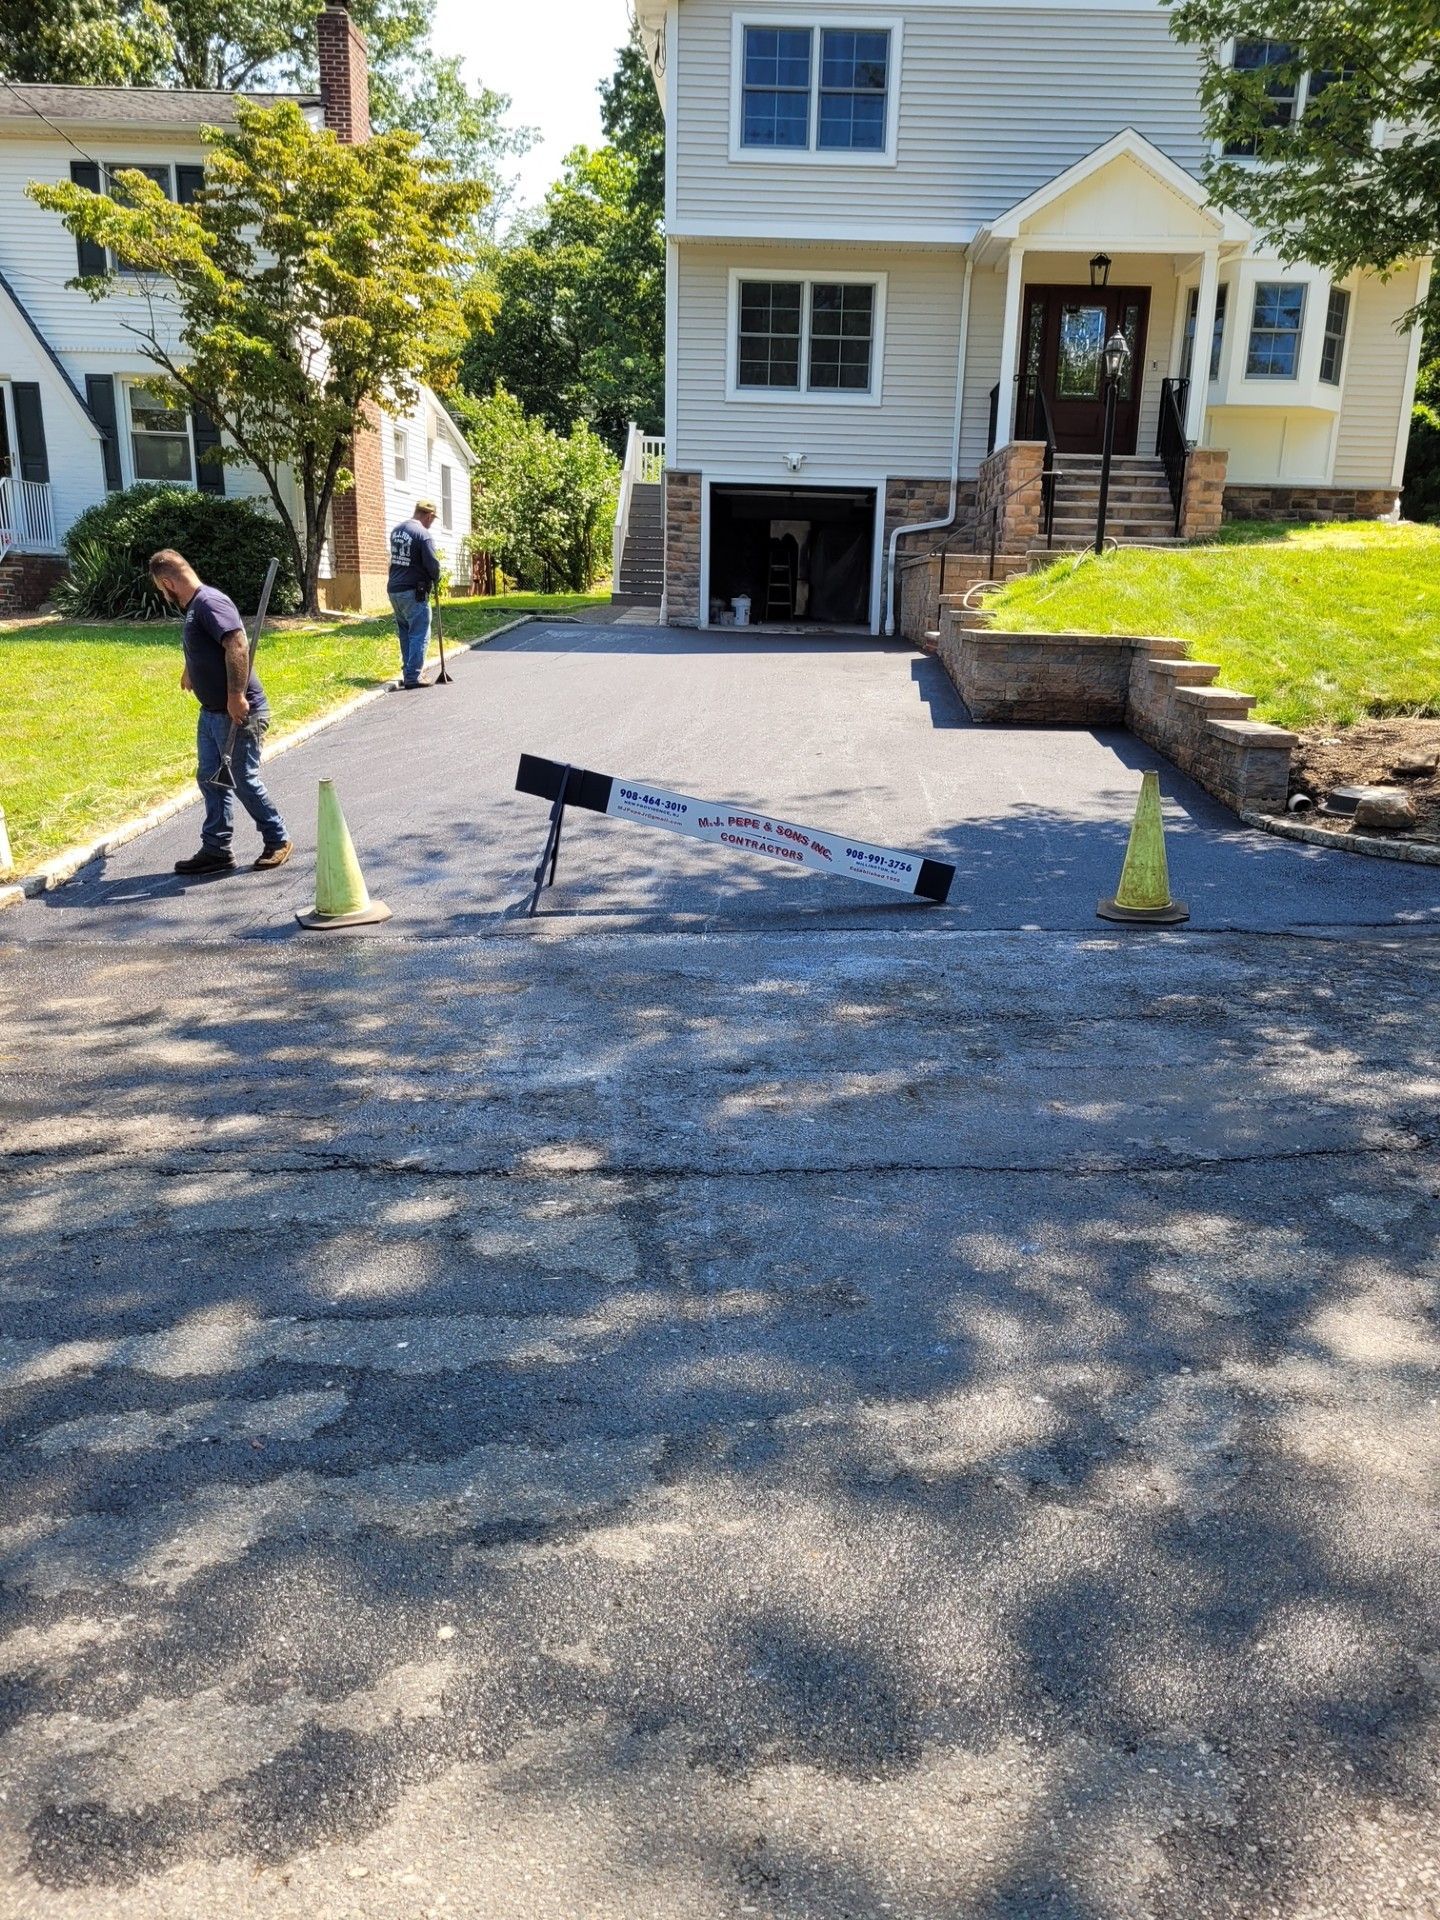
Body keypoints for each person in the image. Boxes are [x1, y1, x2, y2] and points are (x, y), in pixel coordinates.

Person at [148, 549, 292, 876]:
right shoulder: (195, 608)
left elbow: (237, 644)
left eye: (161, 588)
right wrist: (190, 669)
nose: (163, 594)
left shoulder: (210, 603)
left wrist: (237, 695)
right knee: (211, 779)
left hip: (242, 711)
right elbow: (207, 645)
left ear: (168, 582)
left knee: (243, 779)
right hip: (212, 713)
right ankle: (216, 849)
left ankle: (278, 839)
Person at [387, 498, 442, 690]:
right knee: (419, 632)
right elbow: (432, 564)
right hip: (414, 591)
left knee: (406, 631)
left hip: (395, 589)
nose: (431, 522)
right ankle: (414, 675)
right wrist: (436, 577)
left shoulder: (397, 531)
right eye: (432, 519)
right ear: (428, 515)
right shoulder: (422, 534)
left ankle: (408, 671)